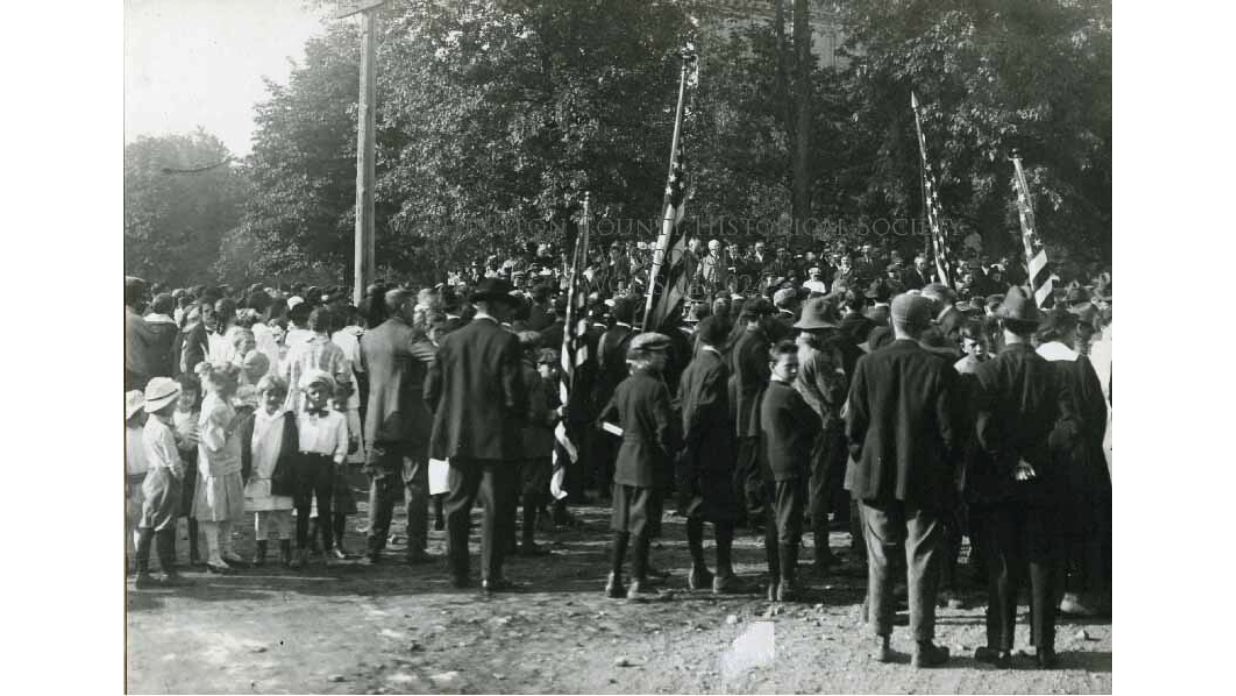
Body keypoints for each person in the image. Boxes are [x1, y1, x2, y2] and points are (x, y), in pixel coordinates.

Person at [845, 293, 957, 668]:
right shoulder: (939, 368)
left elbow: (854, 425)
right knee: (922, 559)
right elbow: (950, 433)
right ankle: (923, 644)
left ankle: (881, 640)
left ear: (890, 321)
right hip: (924, 478)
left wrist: (864, 458)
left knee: (880, 560)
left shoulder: (867, 363)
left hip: (875, 477)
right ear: (927, 324)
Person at [970, 287, 1070, 669]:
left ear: (1002, 326)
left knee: (1002, 563)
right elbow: (1068, 423)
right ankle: (1044, 646)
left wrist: (1011, 461)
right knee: (1041, 561)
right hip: (1042, 479)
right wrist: (1038, 459)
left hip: (1000, 480)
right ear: (1033, 329)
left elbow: (984, 430)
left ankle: (1001, 645)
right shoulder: (1052, 371)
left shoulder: (988, 370)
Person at [425, 278, 527, 592]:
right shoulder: (506, 341)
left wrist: (451, 418)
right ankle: (490, 575)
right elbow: (514, 396)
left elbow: (431, 392)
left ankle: (458, 573)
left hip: (458, 435)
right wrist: (515, 423)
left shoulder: (451, 341)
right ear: (496, 306)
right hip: (495, 439)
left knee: (457, 505)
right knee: (495, 507)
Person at [1035, 309, 1111, 617]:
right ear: (1066, 331)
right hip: (1077, 456)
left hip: (1038, 456)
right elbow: (1095, 411)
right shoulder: (1078, 365)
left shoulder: (1033, 361)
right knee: (1082, 524)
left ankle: (1046, 592)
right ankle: (1078, 592)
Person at [597, 332, 680, 600]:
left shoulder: (623, 386)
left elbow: (602, 421)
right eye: (660, 353)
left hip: (625, 459)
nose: (665, 358)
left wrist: (624, 434)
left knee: (621, 524)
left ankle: (613, 578)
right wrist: (670, 453)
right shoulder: (657, 389)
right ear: (645, 357)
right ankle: (638, 580)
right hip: (648, 462)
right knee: (642, 524)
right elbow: (665, 431)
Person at [358, 289, 438, 565]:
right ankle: (415, 548)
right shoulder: (411, 335)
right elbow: (438, 361)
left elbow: (365, 375)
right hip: (411, 419)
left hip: (378, 419)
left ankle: (373, 547)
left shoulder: (368, 337)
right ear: (403, 305)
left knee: (379, 487)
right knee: (415, 486)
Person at [676, 317, 743, 594]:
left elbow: (681, 403)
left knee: (695, 511)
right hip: (714, 449)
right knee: (722, 513)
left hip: (692, 451)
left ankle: (698, 567)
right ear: (725, 340)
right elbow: (704, 409)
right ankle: (723, 572)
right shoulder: (717, 368)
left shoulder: (691, 368)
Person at [758, 340, 820, 602]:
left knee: (775, 522)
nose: (794, 371)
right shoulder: (787, 394)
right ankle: (786, 582)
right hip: (790, 465)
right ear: (773, 365)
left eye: (797, 366)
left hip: (772, 465)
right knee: (788, 524)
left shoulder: (770, 392)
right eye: (789, 366)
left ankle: (777, 580)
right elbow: (814, 422)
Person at [791, 298, 849, 575]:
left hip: (804, 423)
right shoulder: (819, 357)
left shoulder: (798, 350)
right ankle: (821, 551)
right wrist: (839, 366)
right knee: (820, 488)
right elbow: (834, 393)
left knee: (814, 485)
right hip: (824, 422)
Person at [192, 362, 248, 574]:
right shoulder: (214, 406)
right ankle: (214, 554)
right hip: (216, 466)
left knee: (228, 507)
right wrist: (237, 421)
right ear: (221, 384)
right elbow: (215, 443)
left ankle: (226, 549)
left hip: (230, 462)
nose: (237, 384)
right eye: (233, 381)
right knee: (214, 510)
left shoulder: (225, 401)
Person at [290, 369, 349, 568]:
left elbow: (343, 444)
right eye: (313, 392)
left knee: (324, 508)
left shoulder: (338, 418)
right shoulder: (299, 417)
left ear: (329, 394)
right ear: (306, 394)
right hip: (304, 463)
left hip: (326, 464)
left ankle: (328, 550)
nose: (317, 396)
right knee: (303, 508)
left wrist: (336, 462)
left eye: (321, 392)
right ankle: (300, 550)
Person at [134, 377, 189, 588]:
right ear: (167, 405)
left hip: (151, 475)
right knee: (166, 523)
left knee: (148, 521)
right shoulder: (164, 430)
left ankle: (142, 571)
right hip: (166, 476)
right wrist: (180, 473)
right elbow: (172, 459)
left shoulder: (149, 425)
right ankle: (168, 571)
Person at [241, 375, 298, 568]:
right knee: (262, 513)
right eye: (269, 394)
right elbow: (248, 445)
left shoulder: (288, 418)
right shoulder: (254, 419)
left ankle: (285, 549)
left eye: (278, 394)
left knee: (283, 512)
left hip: (281, 471)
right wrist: (249, 469)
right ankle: (260, 549)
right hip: (260, 470)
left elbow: (292, 446)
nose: (273, 398)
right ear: (260, 395)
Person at [515, 332, 555, 556]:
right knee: (532, 490)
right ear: (529, 351)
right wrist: (553, 415)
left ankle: (508, 539)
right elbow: (539, 412)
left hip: (510, 439)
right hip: (533, 439)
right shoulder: (532, 375)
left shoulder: (504, 371)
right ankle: (527, 538)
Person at [172, 374, 203, 565]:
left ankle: (194, 551)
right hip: (173, 468)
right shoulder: (168, 416)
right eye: (182, 394)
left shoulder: (199, 415)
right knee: (174, 510)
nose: (186, 398)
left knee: (193, 511)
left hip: (193, 467)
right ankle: (172, 554)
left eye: (191, 394)